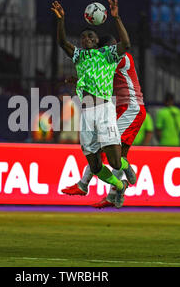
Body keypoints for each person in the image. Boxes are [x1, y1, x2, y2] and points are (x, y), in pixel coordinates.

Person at [51, 0, 132, 208]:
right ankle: (120, 186)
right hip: (86, 113)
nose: (86, 38)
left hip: (105, 110)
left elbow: (127, 44)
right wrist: (61, 20)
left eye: (90, 35)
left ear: (97, 41)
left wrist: (116, 18)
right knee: (95, 166)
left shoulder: (108, 54)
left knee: (115, 162)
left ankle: (126, 166)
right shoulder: (79, 57)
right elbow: (62, 43)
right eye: (83, 36)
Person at [62, 34, 147, 209]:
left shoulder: (122, 58)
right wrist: (78, 81)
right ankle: (113, 192)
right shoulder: (107, 60)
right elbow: (95, 79)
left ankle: (84, 184)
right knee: (114, 153)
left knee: (103, 148)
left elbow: (96, 69)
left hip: (132, 108)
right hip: (120, 108)